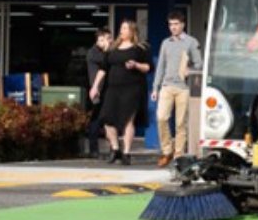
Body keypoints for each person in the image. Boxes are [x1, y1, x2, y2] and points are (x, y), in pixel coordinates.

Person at [89, 20, 150, 166]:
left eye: (125, 28)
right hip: (113, 89)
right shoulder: (112, 48)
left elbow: (148, 67)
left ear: (132, 31)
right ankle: (115, 149)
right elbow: (103, 69)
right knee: (107, 120)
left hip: (132, 89)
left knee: (128, 120)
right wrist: (95, 86)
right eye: (121, 28)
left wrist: (136, 65)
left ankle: (127, 153)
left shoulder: (140, 49)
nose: (121, 30)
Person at [151, 11, 202, 168]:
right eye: (170, 24)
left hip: (184, 88)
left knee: (181, 123)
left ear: (183, 25)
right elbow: (160, 66)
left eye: (176, 24)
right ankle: (167, 150)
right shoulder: (166, 43)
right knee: (161, 117)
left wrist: (190, 69)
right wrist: (155, 88)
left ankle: (178, 155)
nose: (173, 27)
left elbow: (199, 63)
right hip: (167, 85)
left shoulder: (191, 42)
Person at [84, 27, 112, 159]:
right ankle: (93, 149)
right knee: (96, 119)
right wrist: (107, 50)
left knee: (110, 119)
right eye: (103, 39)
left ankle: (114, 148)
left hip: (109, 90)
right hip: (98, 90)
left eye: (109, 39)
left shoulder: (108, 52)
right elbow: (104, 64)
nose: (107, 42)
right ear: (98, 40)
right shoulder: (93, 53)